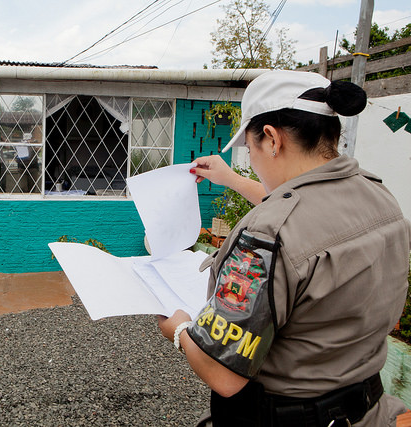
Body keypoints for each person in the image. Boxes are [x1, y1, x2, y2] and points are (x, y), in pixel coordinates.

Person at [158, 70, 411, 427]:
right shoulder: (379, 196)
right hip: (368, 411)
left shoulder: (268, 233)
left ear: (273, 140)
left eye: (250, 147)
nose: (253, 159)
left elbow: (224, 375)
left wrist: (181, 329)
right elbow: (307, 212)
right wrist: (229, 178)